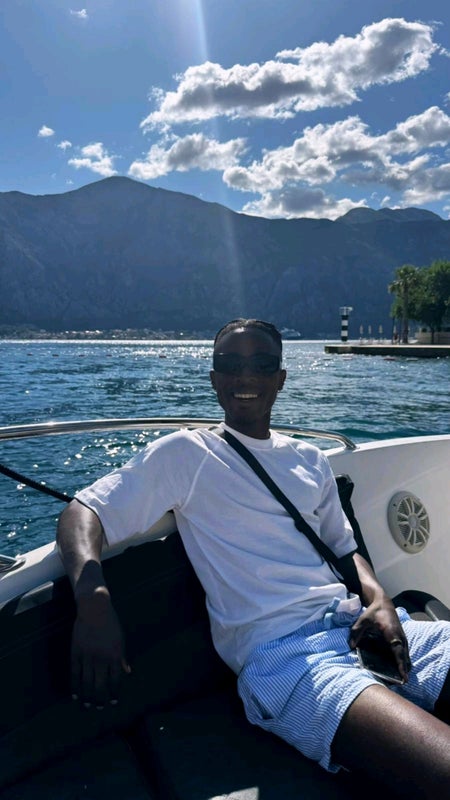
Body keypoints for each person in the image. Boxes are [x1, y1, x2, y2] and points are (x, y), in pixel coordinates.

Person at [57, 318, 450, 796]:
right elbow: (83, 513)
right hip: (286, 658)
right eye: (231, 364)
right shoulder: (186, 454)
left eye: (262, 365)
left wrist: (380, 599)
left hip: (357, 624)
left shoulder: (309, 460)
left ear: (280, 378)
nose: (245, 377)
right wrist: (93, 601)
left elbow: (344, 549)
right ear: (214, 378)